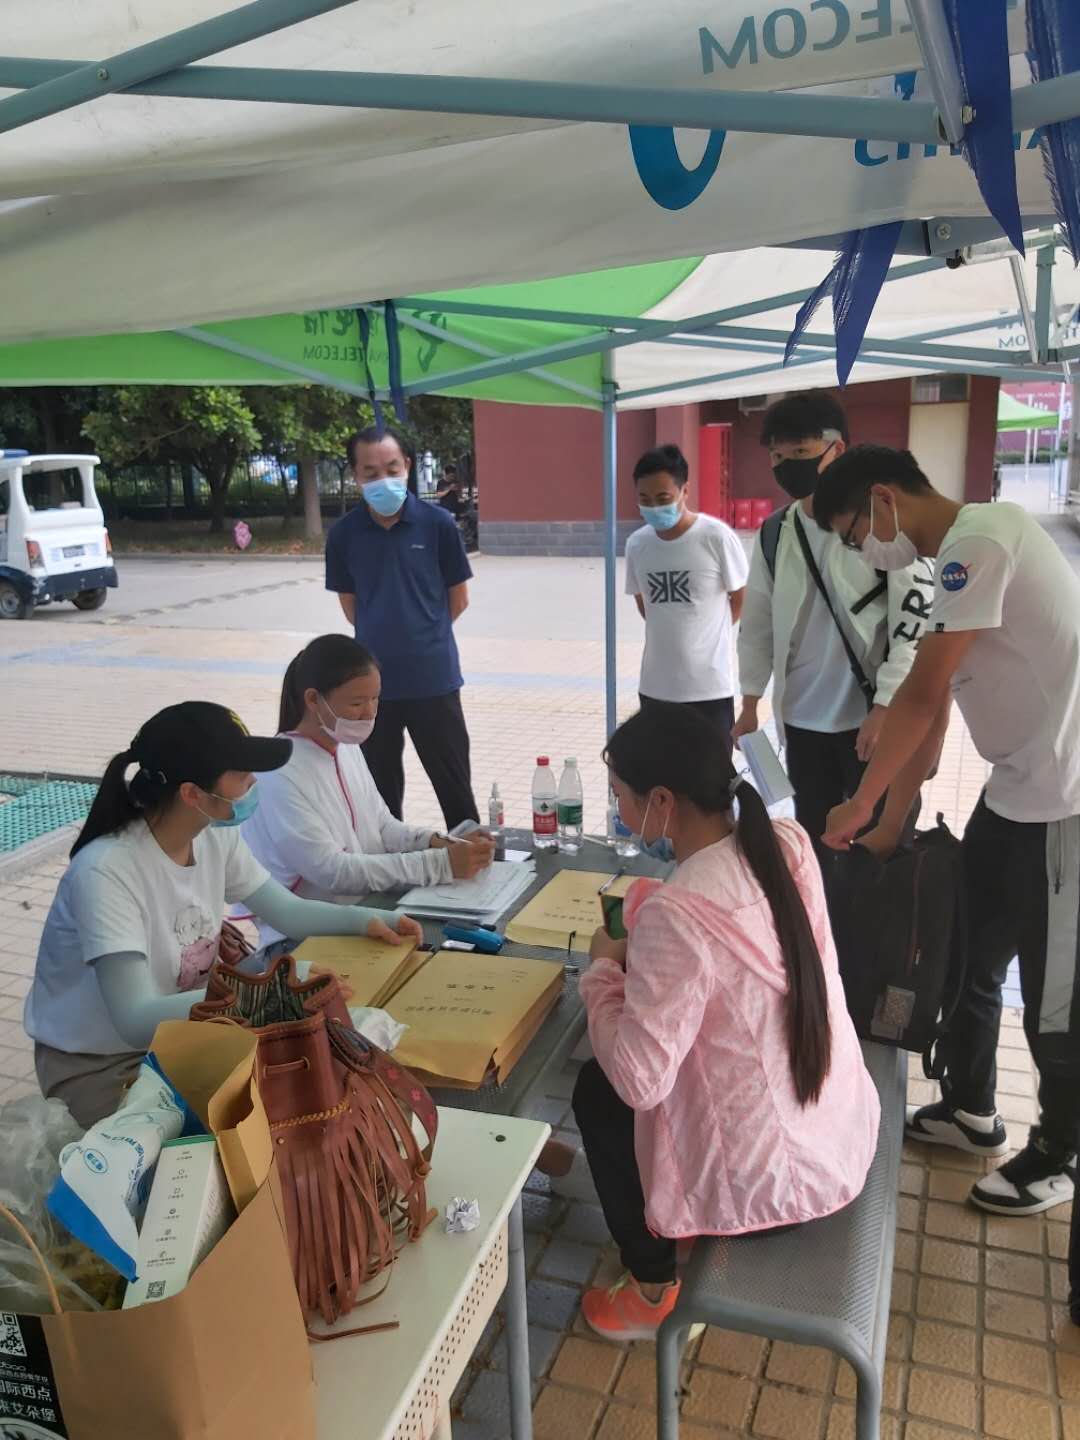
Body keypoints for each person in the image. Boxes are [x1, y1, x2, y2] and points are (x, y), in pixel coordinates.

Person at [813, 445, 1080, 1323]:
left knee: (1053, 1006)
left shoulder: (982, 538)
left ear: (883, 498)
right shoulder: (951, 570)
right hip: (1011, 798)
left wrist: (859, 800)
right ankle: (971, 1108)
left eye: (857, 531)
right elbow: (932, 723)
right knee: (969, 962)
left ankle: (1059, 1152)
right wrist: (889, 826)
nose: (865, 549)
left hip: (1065, 808)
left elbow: (922, 695)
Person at [565, 703, 880, 1341]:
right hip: (833, 1130)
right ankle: (675, 1239)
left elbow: (639, 1081)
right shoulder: (786, 843)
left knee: (598, 1091)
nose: (617, 809)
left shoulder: (678, 911)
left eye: (620, 794)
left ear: (661, 801)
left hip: (770, 1187)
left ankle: (654, 1289)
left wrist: (600, 973)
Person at [24, 702, 422, 1129]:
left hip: (180, 1038)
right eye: (242, 774)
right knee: (237, 1136)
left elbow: (287, 911)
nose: (254, 783)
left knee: (304, 1096)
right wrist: (272, 994)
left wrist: (371, 921)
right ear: (192, 794)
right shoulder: (107, 871)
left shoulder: (214, 836)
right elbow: (135, 1019)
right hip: (100, 1063)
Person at [735, 392, 934, 871]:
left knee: (880, 842)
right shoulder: (775, 532)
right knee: (816, 842)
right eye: (777, 456)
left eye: (800, 452)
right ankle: (827, 915)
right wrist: (749, 702)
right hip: (801, 720)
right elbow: (757, 621)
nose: (787, 466)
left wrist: (886, 707)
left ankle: (881, 914)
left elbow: (913, 626)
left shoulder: (880, 521)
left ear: (836, 449)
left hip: (867, 719)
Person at [241, 635, 494, 945]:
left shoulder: (344, 747)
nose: (370, 712)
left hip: (368, 912)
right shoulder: (279, 772)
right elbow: (332, 871)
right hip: (305, 937)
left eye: (375, 699)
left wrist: (442, 842)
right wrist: (440, 864)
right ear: (313, 700)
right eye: (357, 703)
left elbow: (383, 826)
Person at [325, 426, 479, 828]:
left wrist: (423, 632)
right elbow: (351, 606)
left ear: (407, 466)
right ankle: (387, 864)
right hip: (371, 688)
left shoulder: (438, 524)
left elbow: (458, 598)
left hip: (434, 679)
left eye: (392, 469)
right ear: (356, 476)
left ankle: (474, 858)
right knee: (379, 795)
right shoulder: (344, 535)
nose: (384, 480)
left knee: (455, 791)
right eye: (371, 473)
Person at [624, 445, 748, 755]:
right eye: (644, 499)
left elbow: (741, 598)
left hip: (709, 689)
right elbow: (645, 605)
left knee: (713, 776)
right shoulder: (637, 544)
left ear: (685, 491)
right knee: (660, 773)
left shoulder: (715, 537)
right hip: (656, 689)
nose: (654, 506)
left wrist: (707, 631)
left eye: (663, 498)